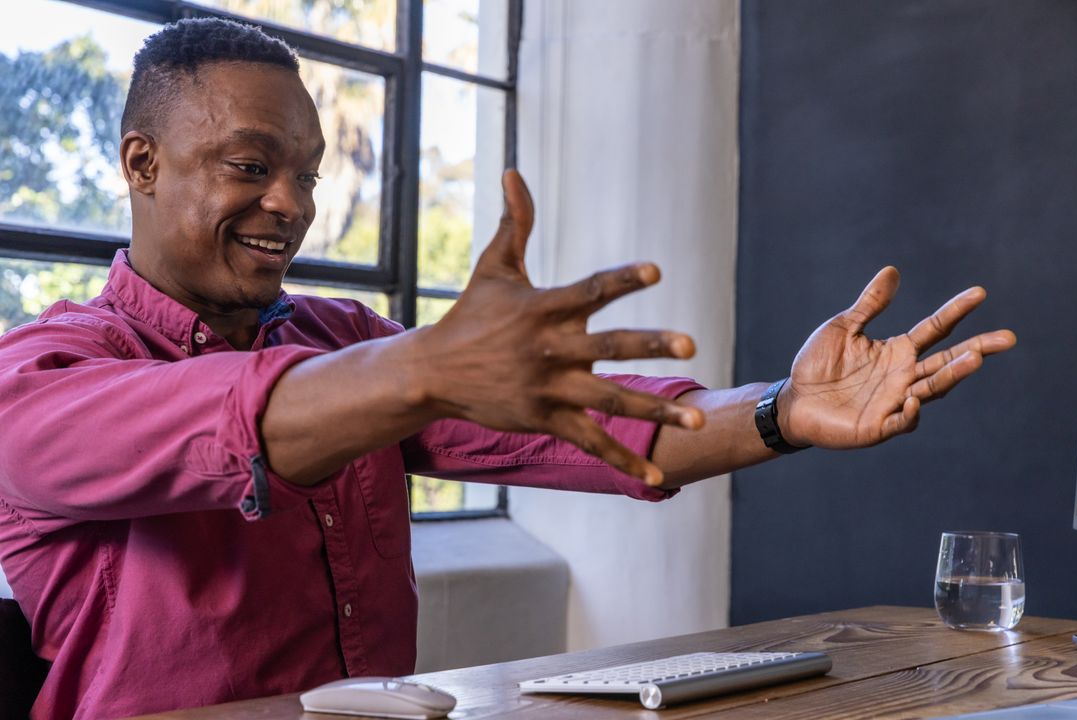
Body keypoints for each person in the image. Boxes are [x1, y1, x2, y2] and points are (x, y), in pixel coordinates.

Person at [0, 17, 1016, 720]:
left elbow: (588, 422)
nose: (293, 205)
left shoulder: (350, 340)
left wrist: (781, 412)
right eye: (250, 166)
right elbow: (236, 423)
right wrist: (424, 365)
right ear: (141, 164)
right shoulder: (41, 375)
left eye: (306, 175)